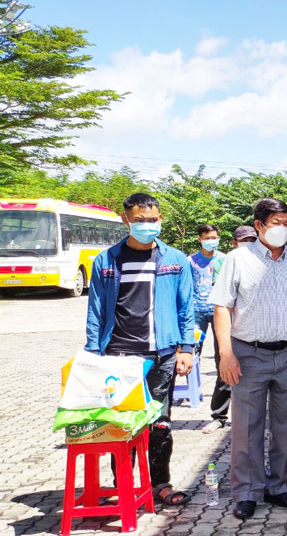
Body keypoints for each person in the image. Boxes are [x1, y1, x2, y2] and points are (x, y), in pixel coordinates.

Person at [208, 198, 287, 520]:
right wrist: (226, 353)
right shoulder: (237, 259)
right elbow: (222, 307)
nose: (282, 229)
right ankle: (247, 491)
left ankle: (279, 486)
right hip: (248, 353)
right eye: (276, 223)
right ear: (259, 225)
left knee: (286, 425)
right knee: (246, 426)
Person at [85, 193, 196, 506]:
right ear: (126, 220)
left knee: (160, 422)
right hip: (120, 357)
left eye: (152, 220)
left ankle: (161, 484)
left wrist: (186, 347)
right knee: (123, 426)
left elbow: (185, 308)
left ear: (160, 219)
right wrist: (93, 354)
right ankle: (125, 487)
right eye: (139, 221)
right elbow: (95, 311)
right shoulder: (106, 261)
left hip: (162, 356)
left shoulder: (175, 259)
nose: (147, 226)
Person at [204, 225, 258, 433]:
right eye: (244, 240)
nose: (248, 244)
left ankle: (250, 417)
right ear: (234, 243)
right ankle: (219, 415)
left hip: (251, 328)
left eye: (252, 240)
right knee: (225, 370)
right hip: (229, 326)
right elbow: (226, 299)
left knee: (252, 374)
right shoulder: (224, 262)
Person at [190, 225, 228, 434]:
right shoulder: (191, 261)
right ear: (200, 239)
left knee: (221, 359)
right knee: (191, 353)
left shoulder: (224, 260)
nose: (212, 241)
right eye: (208, 238)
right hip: (196, 312)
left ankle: (218, 414)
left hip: (219, 313)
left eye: (215, 237)